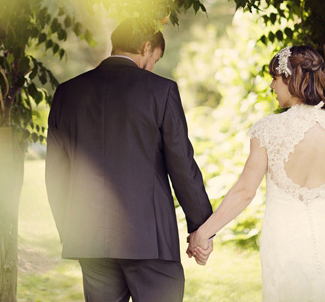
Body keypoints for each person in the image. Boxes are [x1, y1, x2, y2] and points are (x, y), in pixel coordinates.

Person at [46, 18, 213, 302]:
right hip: (150, 241)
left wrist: (72, 229)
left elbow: (56, 174)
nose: (152, 68)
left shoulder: (67, 92)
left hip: (90, 240)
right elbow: (181, 164)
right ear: (146, 47)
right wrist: (202, 226)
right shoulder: (161, 91)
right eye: (154, 59)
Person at [187, 46, 325, 301]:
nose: (271, 86)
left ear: (290, 79)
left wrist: (203, 233)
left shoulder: (269, 129)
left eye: (275, 78)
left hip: (284, 238)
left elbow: (245, 192)